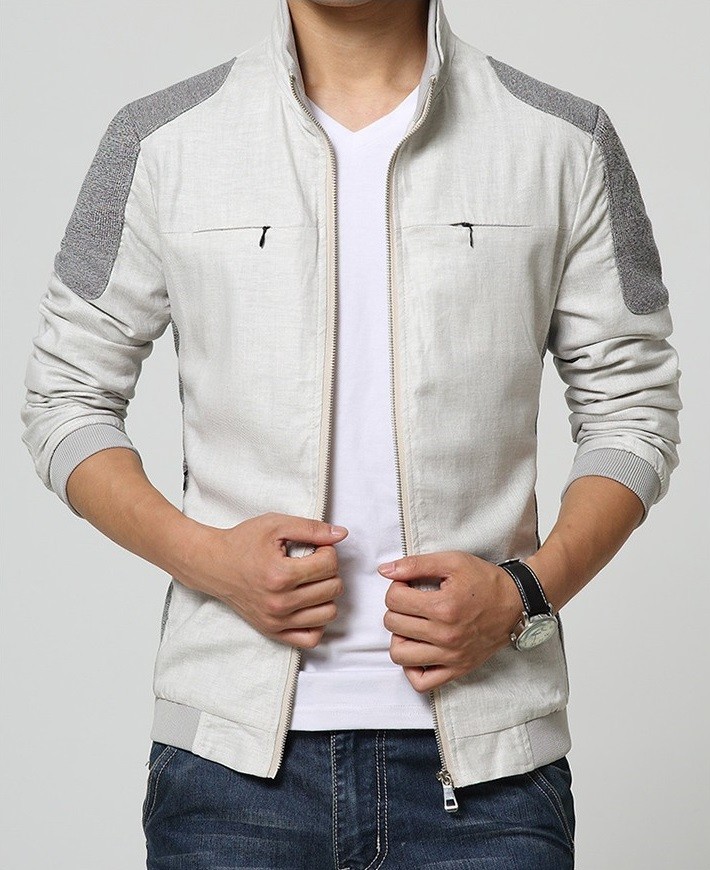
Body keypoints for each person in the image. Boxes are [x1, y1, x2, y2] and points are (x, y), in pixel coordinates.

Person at [20, 0, 682, 866]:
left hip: (492, 774)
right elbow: (64, 397)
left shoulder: (564, 141)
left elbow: (634, 408)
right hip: (227, 771)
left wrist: (524, 595)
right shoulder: (159, 142)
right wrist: (208, 559)